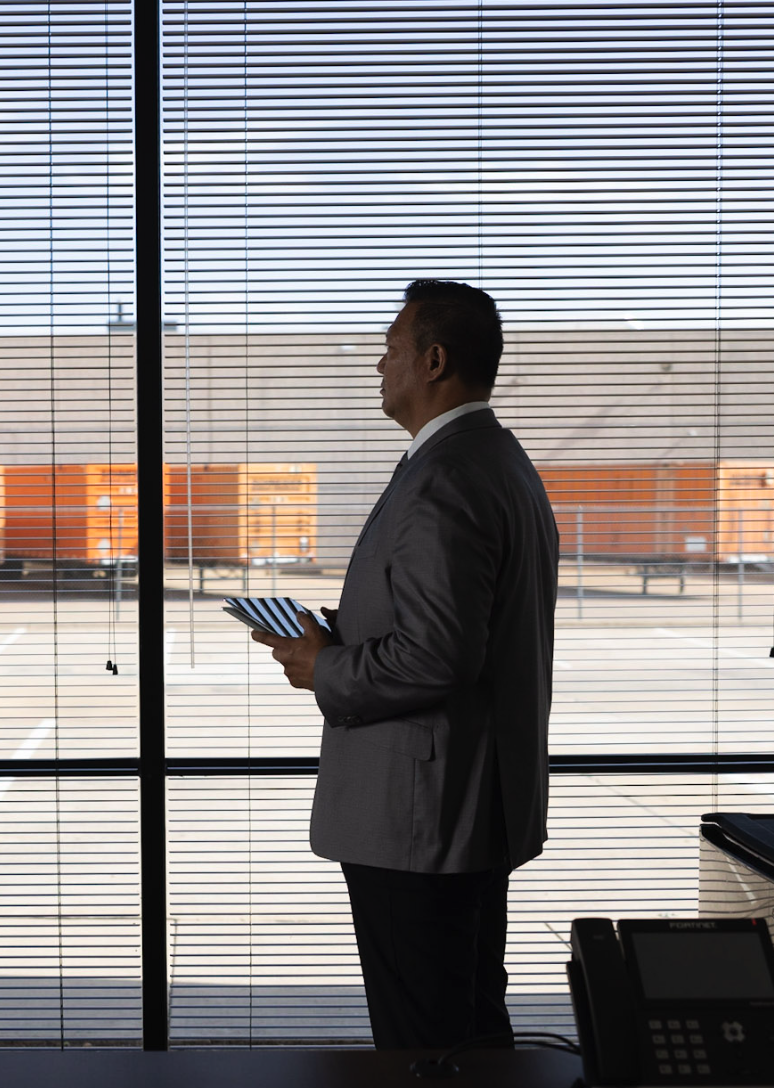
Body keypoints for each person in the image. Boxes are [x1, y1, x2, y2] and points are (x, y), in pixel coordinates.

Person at [251, 279, 558, 1050]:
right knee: (469, 1022)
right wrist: (341, 633)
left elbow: (437, 654)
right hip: (469, 806)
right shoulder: (495, 460)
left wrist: (325, 668)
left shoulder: (446, 478)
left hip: (423, 816)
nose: (377, 366)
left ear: (433, 360)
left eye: (389, 350)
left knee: (425, 1041)